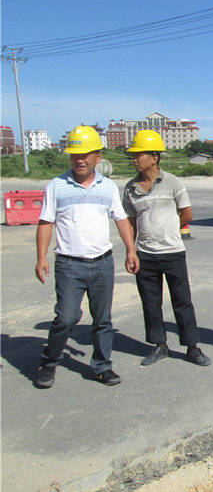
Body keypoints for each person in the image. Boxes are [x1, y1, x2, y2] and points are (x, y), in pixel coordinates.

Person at [34, 125, 139, 388]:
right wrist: (41, 258)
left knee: (102, 319)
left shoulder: (108, 188)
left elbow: (121, 219)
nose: (79, 159)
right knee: (66, 317)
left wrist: (130, 249)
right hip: (69, 265)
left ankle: (102, 366)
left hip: (102, 263)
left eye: (85, 154)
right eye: (74, 155)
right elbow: (46, 222)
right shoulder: (56, 186)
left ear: (97, 157)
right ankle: (49, 363)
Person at [122, 130, 210, 367]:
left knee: (182, 300)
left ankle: (192, 347)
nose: (135, 159)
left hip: (172, 253)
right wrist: (131, 250)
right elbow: (130, 222)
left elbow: (187, 213)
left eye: (139, 154)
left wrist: (168, 229)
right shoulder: (130, 188)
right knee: (150, 302)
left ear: (154, 157)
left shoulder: (173, 182)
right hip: (145, 255)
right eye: (133, 155)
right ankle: (159, 345)